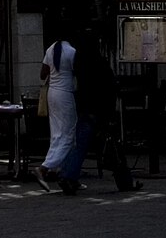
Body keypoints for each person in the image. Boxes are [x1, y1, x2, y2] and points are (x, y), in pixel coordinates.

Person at [61, 31, 142, 195]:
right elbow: (108, 87)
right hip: (100, 110)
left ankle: (68, 176)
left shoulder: (80, 63)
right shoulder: (99, 63)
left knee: (80, 146)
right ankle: (125, 181)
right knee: (114, 146)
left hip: (85, 108)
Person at [35, 29, 78, 192]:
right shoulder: (72, 52)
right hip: (65, 93)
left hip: (52, 93)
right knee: (69, 134)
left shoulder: (50, 49)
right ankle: (46, 167)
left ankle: (60, 169)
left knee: (57, 132)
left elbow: (42, 74)